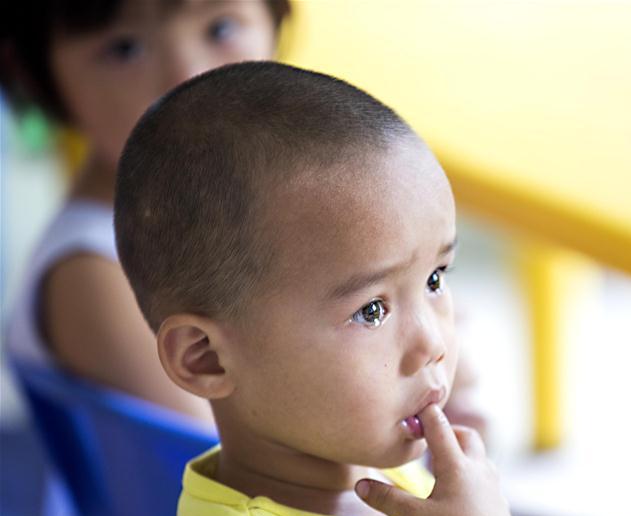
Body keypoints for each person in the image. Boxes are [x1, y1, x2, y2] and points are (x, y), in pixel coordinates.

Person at [114, 60, 522, 516]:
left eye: (434, 279)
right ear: (205, 357)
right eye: (371, 310)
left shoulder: (344, 454)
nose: (432, 342)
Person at [1, 0, 487, 436]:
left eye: (220, 27)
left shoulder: (287, 204)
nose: (187, 76)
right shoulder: (93, 277)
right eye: (125, 49)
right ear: (34, 73)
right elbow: (229, 475)